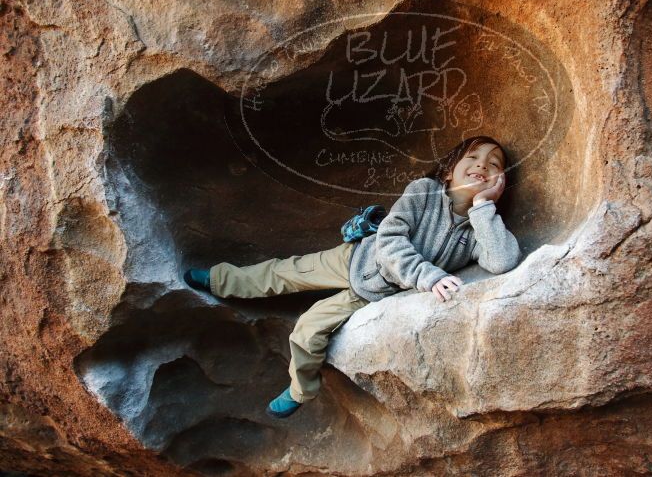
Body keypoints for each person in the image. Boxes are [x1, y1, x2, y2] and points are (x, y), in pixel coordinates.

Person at [183, 135, 522, 418]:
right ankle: (219, 281)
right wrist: (427, 276)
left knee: (308, 329)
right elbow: (390, 237)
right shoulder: (424, 191)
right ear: (448, 172)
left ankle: (301, 391)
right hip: (354, 258)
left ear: (500, 184)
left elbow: (502, 260)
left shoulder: (480, 226)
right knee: (282, 272)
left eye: (494, 165)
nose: (482, 165)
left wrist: (483, 206)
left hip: (373, 294)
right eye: (473, 157)